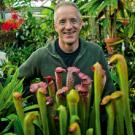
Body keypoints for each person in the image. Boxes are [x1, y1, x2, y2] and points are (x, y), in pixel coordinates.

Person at [19, 1, 115, 101]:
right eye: (62, 22)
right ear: (55, 26)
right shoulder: (42, 56)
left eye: (73, 21)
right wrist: (38, 98)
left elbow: (108, 91)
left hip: (89, 116)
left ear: (80, 24)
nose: (69, 27)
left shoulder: (95, 52)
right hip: (55, 115)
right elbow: (18, 81)